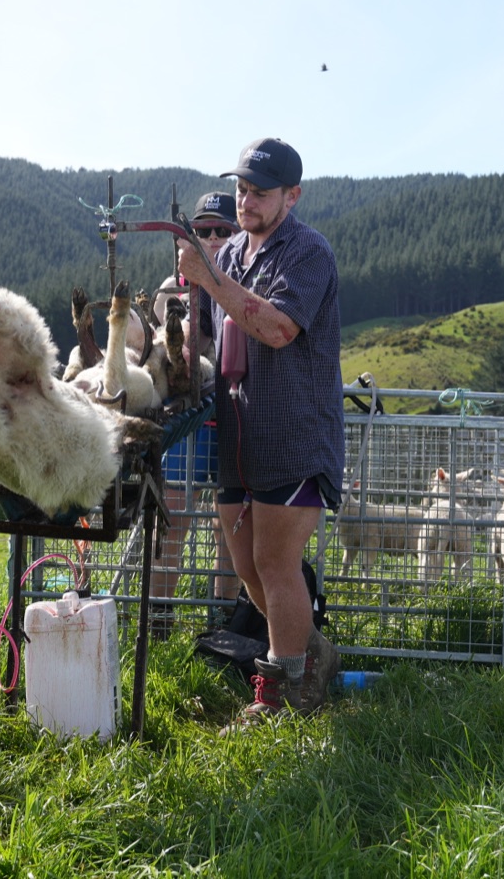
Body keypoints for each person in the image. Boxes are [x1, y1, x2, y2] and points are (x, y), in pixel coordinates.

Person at [175, 138, 345, 726]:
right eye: (242, 189)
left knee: (275, 565)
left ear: (291, 197)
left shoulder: (308, 252)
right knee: (247, 566)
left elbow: (276, 328)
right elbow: (216, 333)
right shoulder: (239, 253)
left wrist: (210, 278)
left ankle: (283, 696)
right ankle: (311, 654)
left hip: (293, 434)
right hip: (239, 435)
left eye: (260, 192)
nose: (246, 201)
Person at [150, 192, 240, 630]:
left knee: (231, 525)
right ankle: (160, 617)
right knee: (173, 518)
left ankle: (223, 621)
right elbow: (179, 341)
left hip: (238, 421)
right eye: (202, 231)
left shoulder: (249, 283)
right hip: (193, 422)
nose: (213, 237)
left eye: (223, 230)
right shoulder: (176, 287)